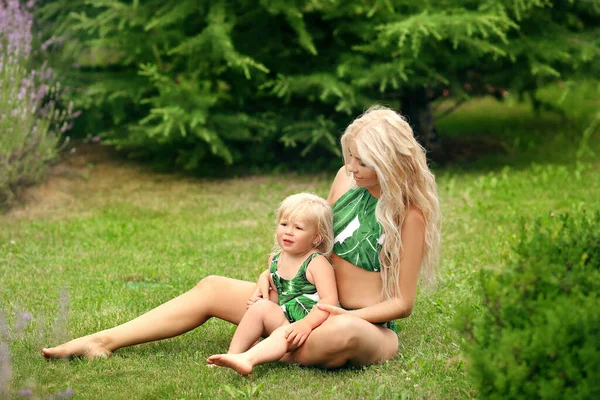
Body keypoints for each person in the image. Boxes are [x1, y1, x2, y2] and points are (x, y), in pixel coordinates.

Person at [42, 105, 441, 369]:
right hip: (304, 300)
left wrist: (339, 314)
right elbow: (315, 242)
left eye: (362, 161)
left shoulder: (410, 214)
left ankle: (270, 345)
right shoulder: (344, 180)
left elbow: (401, 304)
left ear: (390, 162)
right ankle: (103, 340)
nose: (351, 166)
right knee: (213, 287)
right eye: (349, 156)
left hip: (358, 322)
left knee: (345, 333)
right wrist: (274, 276)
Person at [206, 192, 337, 375]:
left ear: (316, 238)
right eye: (284, 224)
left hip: (310, 328)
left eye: (298, 228)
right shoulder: (275, 260)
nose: (288, 231)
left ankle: (249, 358)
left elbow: (329, 300)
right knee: (260, 307)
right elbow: (281, 295)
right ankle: (233, 354)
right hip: (286, 321)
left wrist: (306, 324)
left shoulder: (316, 263)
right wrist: (261, 302)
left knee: (281, 333)